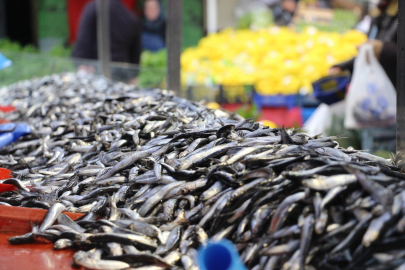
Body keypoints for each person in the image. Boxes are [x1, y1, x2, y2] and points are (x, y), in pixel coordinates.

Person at [330, 0, 398, 88]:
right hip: (379, 82)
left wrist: (384, 49)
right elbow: (371, 50)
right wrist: (342, 67)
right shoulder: (380, 11)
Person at [72, 0, 142, 83]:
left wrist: (81, 64)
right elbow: (135, 53)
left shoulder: (92, 8)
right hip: (121, 74)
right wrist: (133, 75)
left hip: (95, 72)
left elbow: (83, 43)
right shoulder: (130, 16)